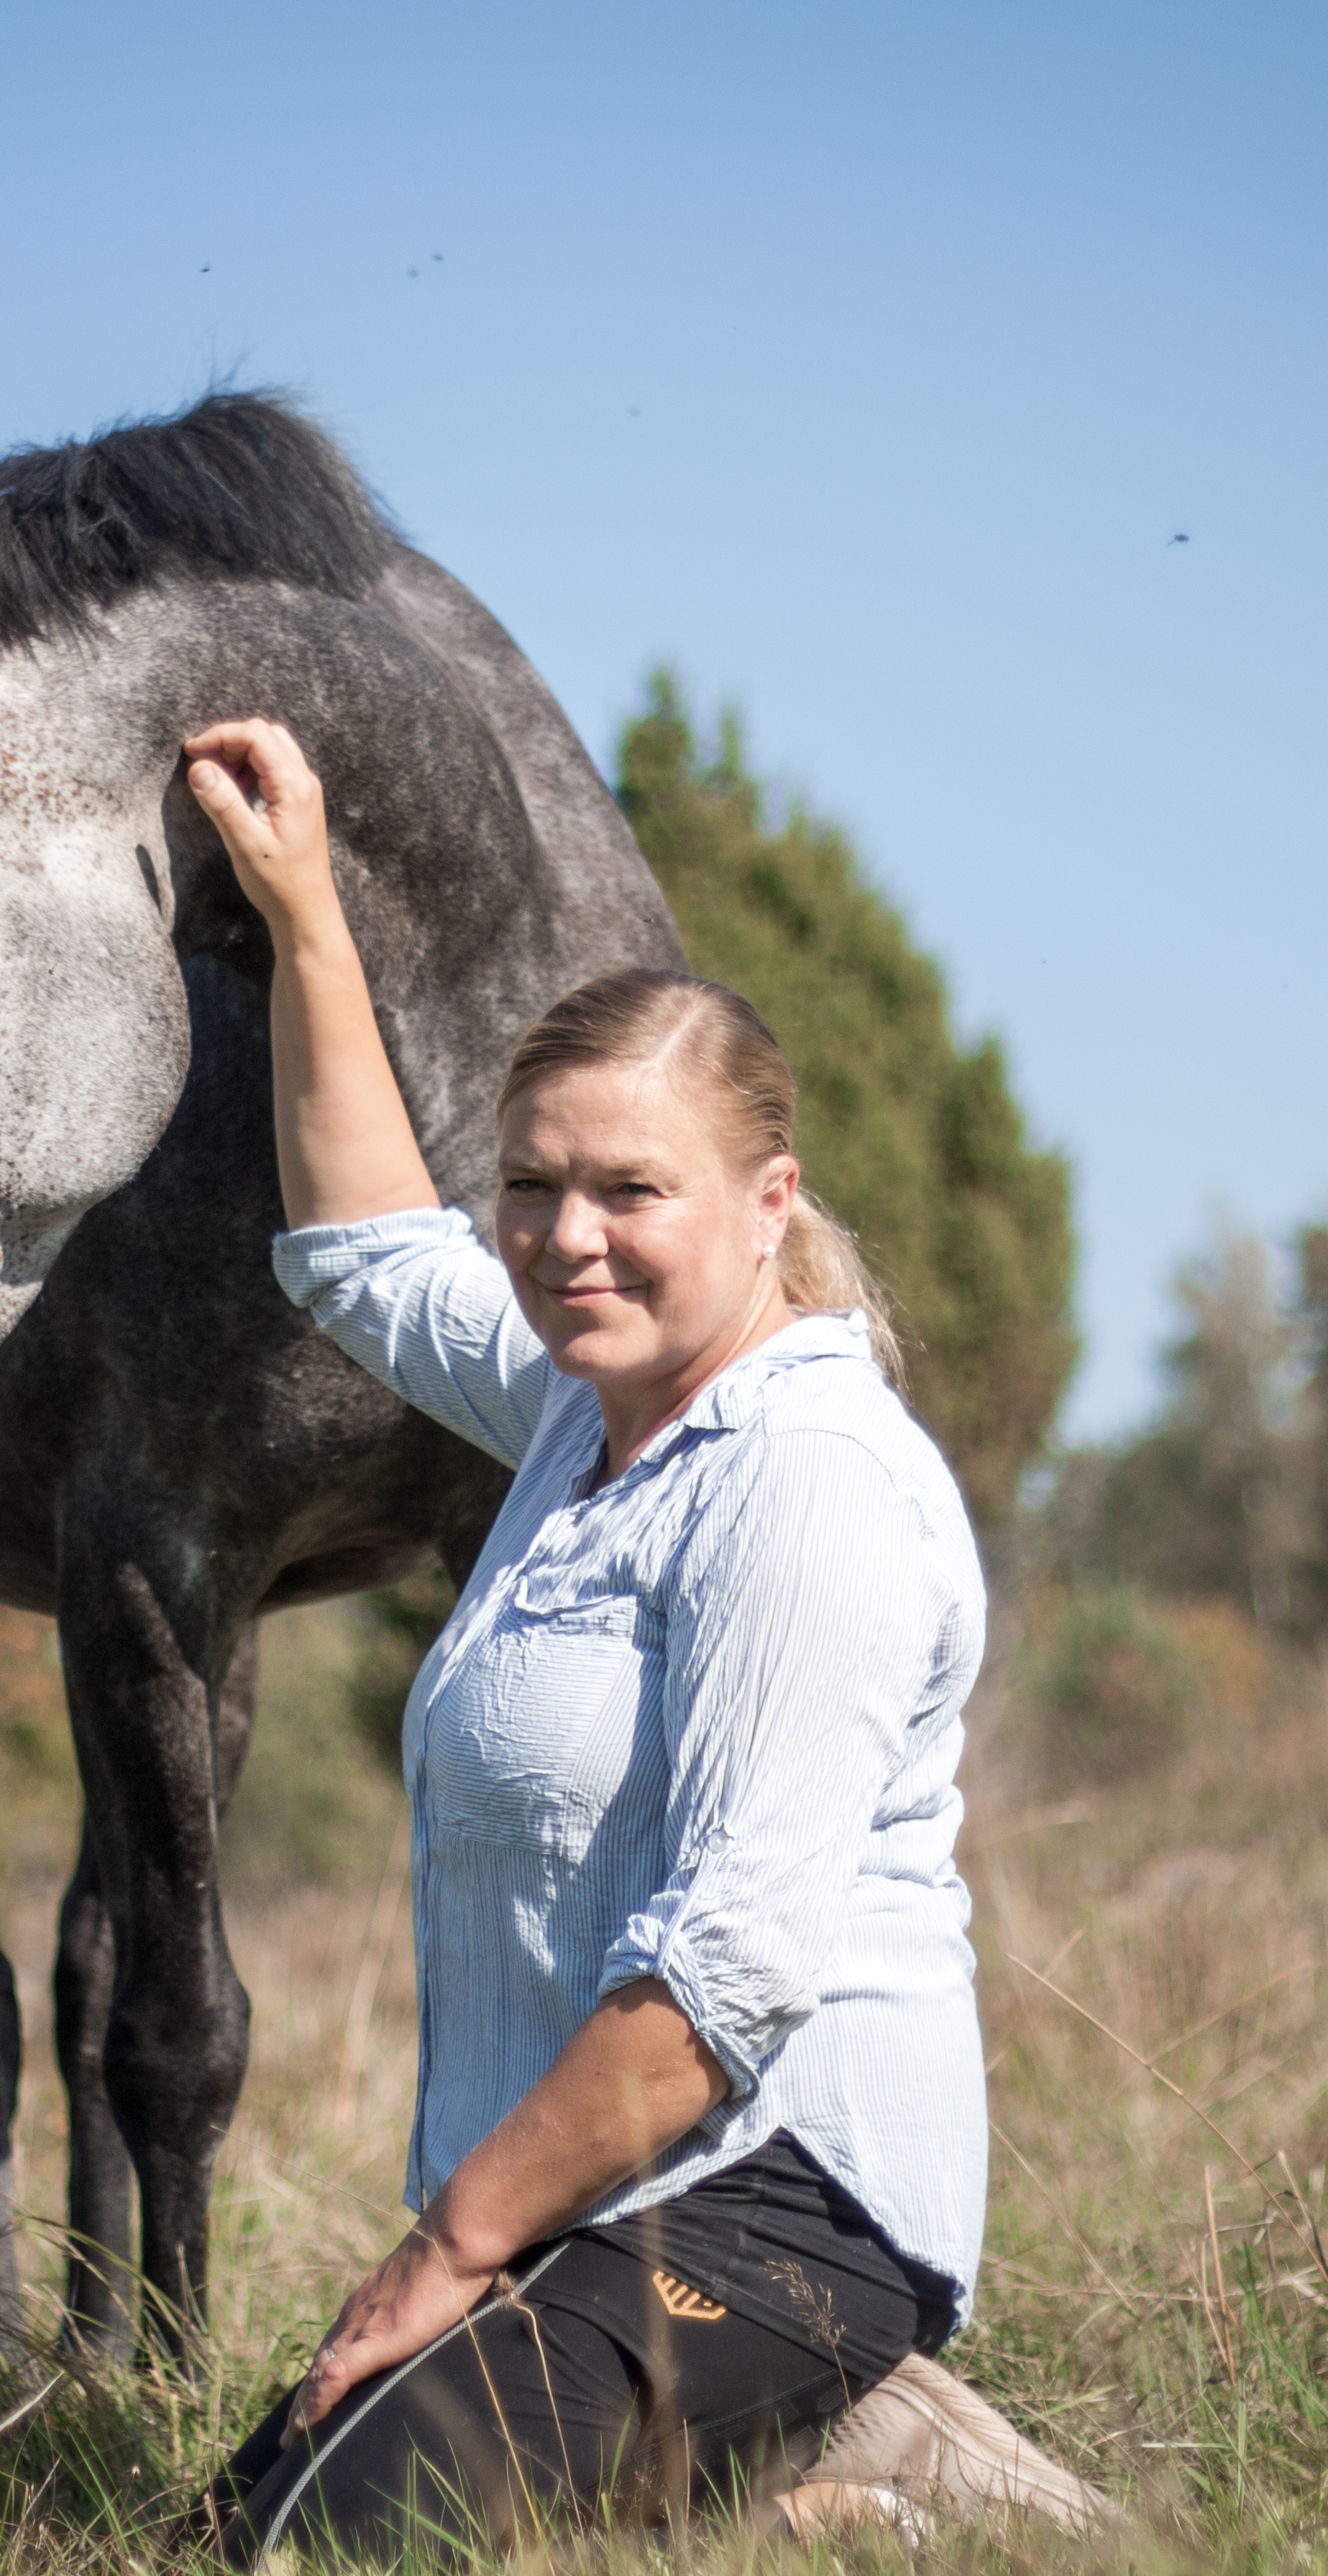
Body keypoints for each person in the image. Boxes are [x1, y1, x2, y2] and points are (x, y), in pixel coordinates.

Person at [182, 720, 1109, 2557]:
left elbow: (728, 1980)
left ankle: (875, 2477)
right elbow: (373, 1249)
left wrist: (448, 2248)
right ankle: (786, 2466)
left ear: (770, 1207)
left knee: (341, 2560)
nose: (563, 1238)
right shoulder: (579, 1414)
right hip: (590, 2201)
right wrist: (304, 916)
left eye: (631, 1191)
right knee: (239, 2543)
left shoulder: (809, 1483)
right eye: (532, 1185)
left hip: (778, 2202)